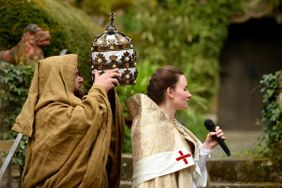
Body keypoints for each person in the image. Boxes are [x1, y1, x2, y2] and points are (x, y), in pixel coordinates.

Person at [11, 54, 124, 187]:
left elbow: (100, 126)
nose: (81, 80)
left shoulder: (74, 107)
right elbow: (84, 121)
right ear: (58, 78)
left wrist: (108, 94)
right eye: (75, 74)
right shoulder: (48, 112)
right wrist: (98, 89)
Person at [126, 65, 225, 188]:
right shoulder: (150, 126)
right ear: (170, 92)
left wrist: (206, 149)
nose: (189, 95)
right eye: (185, 89)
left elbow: (188, 177)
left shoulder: (174, 126)